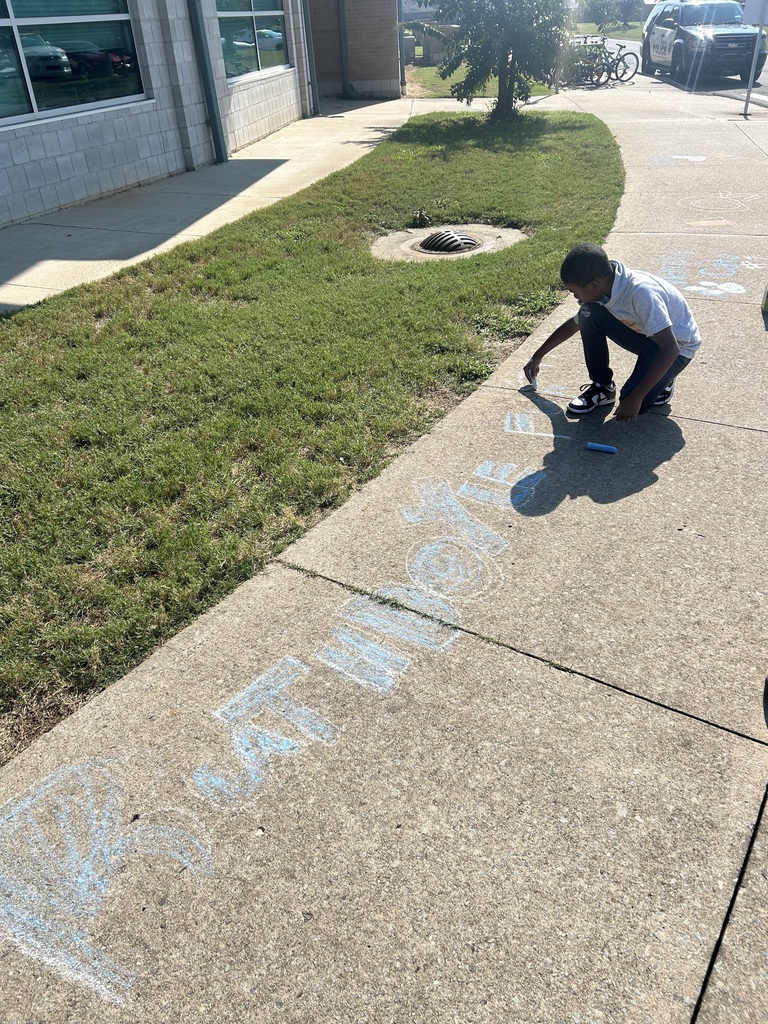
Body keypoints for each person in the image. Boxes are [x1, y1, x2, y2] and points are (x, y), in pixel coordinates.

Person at [523, 243, 701, 422]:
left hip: (677, 345)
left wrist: (636, 398)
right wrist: (538, 355)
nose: (575, 297)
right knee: (589, 314)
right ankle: (603, 387)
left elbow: (671, 349)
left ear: (594, 285)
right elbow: (573, 324)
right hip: (647, 335)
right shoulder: (605, 287)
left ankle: (665, 380)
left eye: (575, 292)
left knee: (631, 402)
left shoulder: (641, 294)